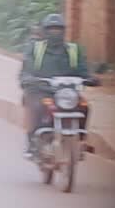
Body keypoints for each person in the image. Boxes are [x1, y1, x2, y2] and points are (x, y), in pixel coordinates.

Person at [19, 13, 99, 159]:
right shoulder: (35, 48)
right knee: (36, 107)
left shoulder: (73, 50)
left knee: (85, 106)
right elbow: (26, 68)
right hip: (41, 91)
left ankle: (80, 141)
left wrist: (90, 79)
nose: (54, 32)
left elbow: (82, 70)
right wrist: (28, 78)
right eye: (51, 29)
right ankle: (33, 143)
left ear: (63, 31)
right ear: (44, 31)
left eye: (58, 29)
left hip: (66, 93)